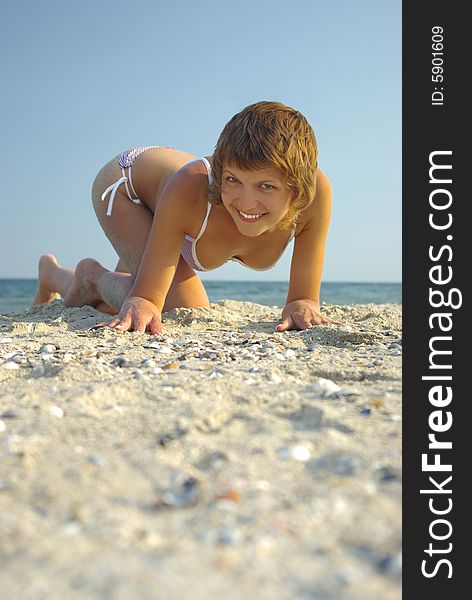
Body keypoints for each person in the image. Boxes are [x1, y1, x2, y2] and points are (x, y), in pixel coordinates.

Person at [33, 101, 333, 335]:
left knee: (132, 300)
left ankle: (54, 275)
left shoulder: (314, 196)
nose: (246, 201)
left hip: (171, 190)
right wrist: (145, 298)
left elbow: (303, 298)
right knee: (180, 307)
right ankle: (93, 278)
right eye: (233, 180)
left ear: (297, 187)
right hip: (127, 188)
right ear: (221, 171)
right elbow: (148, 300)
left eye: (266, 186)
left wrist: (302, 305)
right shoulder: (191, 191)